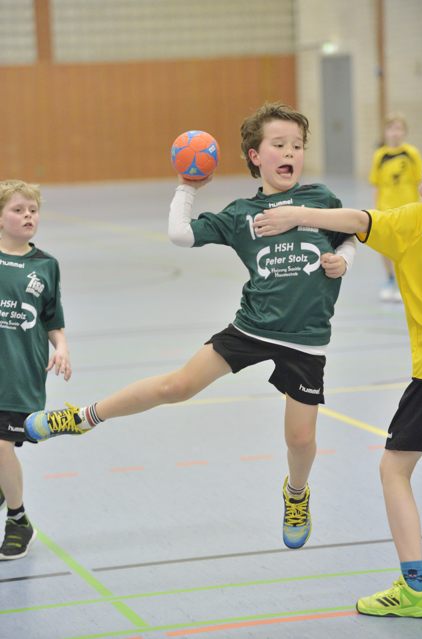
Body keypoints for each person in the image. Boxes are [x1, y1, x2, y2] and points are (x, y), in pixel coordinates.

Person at [24, 102, 355, 550]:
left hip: (306, 340)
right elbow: (181, 234)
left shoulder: (320, 199)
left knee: (300, 439)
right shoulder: (242, 213)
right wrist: (187, 188)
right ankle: (83, 417)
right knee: (176, 386)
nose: (289, 152)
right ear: (255, 156)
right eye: (279, 145)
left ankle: (296, 493)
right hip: (253, 327)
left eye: (297, 145)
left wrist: (343, 261)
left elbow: (352, 233)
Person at [250, 167, 422, 617]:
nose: (421, 181)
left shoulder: (413, 221)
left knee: (394, 470)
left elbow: (356, 220)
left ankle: (416, 589)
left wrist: (296, 215)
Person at [0, 180, 71, 560]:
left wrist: (61, 347)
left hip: (19, 374)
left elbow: (52, 318)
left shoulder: (45, 265)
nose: (28, 216)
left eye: (32, 210)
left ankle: (18, 520)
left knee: (0, 444)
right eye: (18, 210)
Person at [369, 112, 422, 302]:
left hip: (408, 209)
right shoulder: (380, 155)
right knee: (386, 247)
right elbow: (376, 184)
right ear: (385, 132)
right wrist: (376, 209)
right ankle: (390, 280)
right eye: (391, 128)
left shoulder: (412, 153)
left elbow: (420, 181)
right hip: (386, 210)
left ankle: (405, 283)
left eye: (399, 128)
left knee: (408, 250)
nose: (395, 133)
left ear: (405, 132)